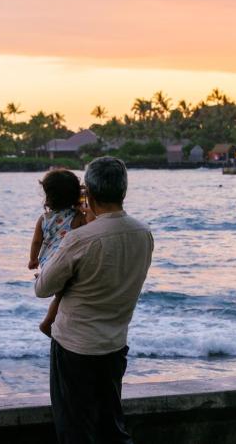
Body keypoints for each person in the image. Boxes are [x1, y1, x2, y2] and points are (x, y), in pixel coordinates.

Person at [35, 156, 153, 444]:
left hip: (75, 348)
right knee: (110, 427)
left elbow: (43, 288)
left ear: (89, 191)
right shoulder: (143, 233)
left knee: (76, 430)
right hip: (114, 345)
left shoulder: (81, 239)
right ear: (123, 190)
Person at [28, 169, 87, 337]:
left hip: (48, 263)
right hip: (65, 262)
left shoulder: (44, 218)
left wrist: (33, 260)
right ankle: (48, 323)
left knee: (61, 294)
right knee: (61, 296)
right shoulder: (77, 217)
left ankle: (45, 279)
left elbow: (36, 242)